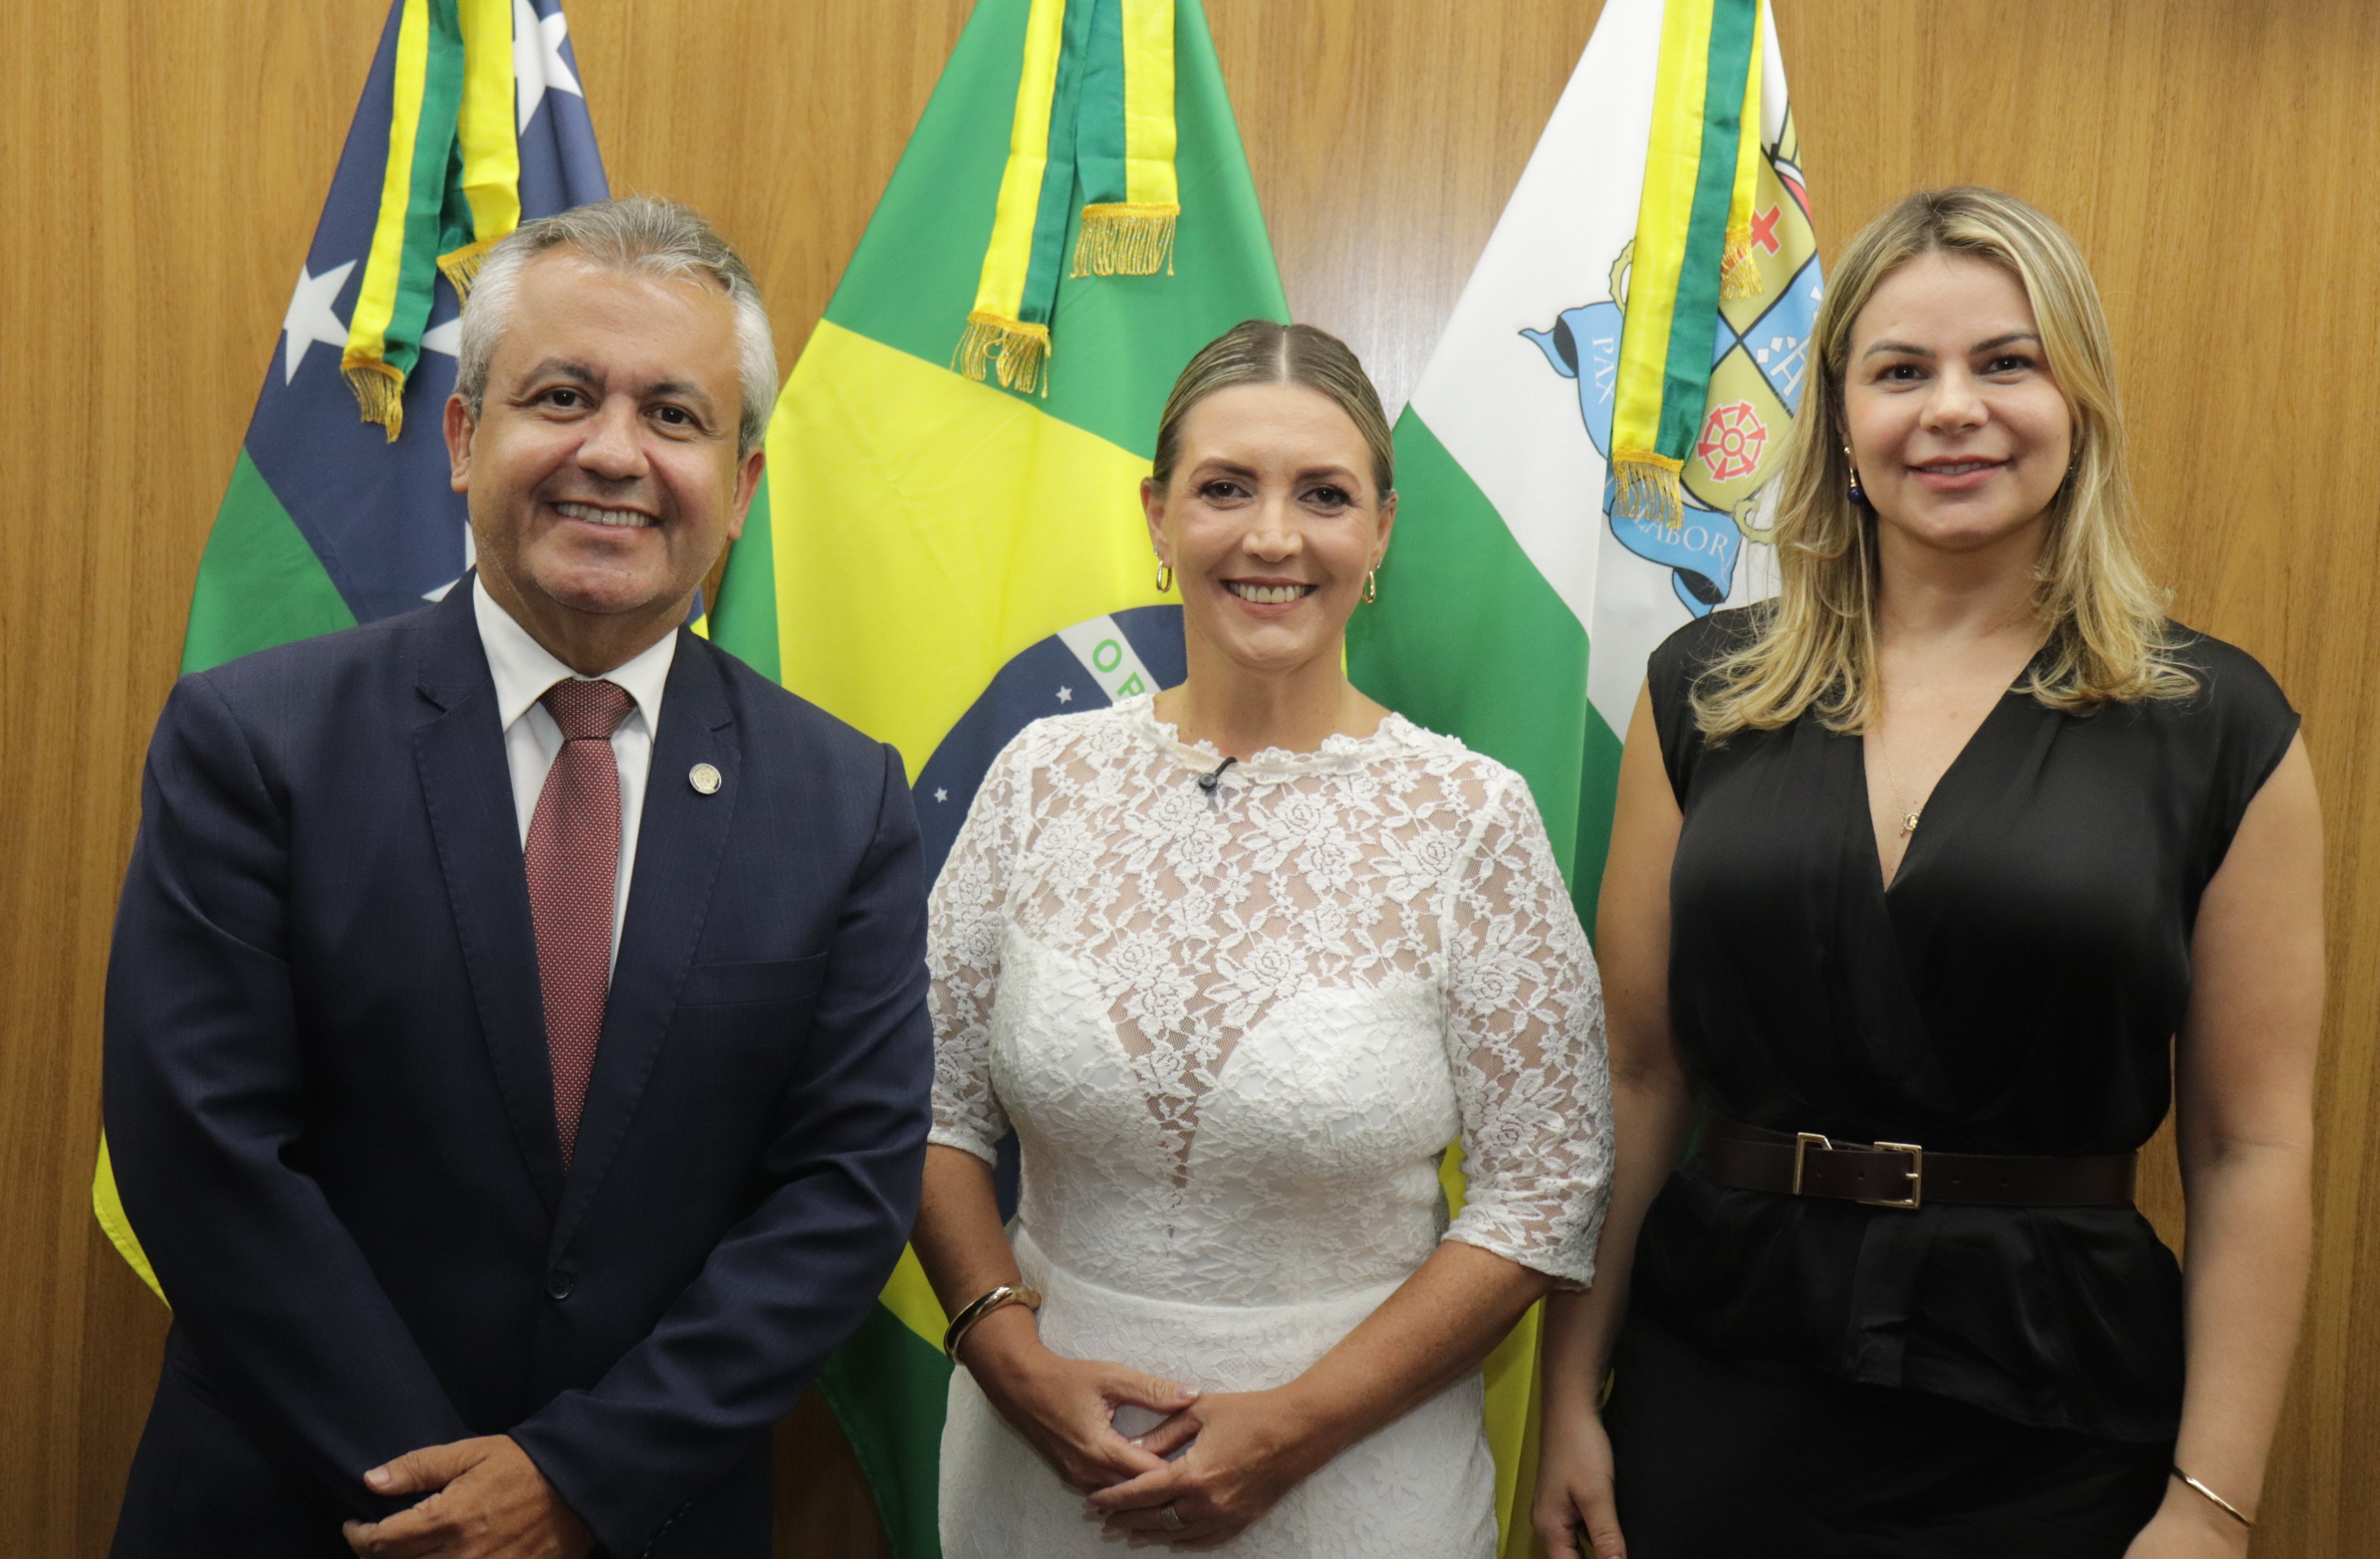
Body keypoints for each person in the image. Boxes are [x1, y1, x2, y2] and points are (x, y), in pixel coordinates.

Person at [103, 197, 934, 1559]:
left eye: (675, 415)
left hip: (647, 1518)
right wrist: (439, 1507)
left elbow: (843, 1193)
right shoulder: (252, 743)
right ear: (461, 436)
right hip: (299, 1507)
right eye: (561, 396)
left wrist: (577, 1482)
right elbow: (203, 1157)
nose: (613, 452)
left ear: (741, 485)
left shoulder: (844, 801)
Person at [1531, 186, 2322, 1559]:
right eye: (1901, 372)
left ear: (2078, 402)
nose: (1954, 408)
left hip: (2052, 1417)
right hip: (1716, 1387)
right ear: (1840, 421)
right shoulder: (1704, 693)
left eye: (2006, 362)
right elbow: (1640, 1076)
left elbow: (2249, 1147)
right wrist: (1564, 1398)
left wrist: (2211, 1504)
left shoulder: (2220, 726)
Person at [910, 319, 1613, 1557]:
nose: (1273, 536)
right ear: (1158, 514)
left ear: (1381, 530)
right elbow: (929, 1110)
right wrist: (1002, 1349)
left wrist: (1291, 1429)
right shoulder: (1036, 781)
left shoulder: (1470, 818)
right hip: (1035, 1476)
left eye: (1324, 495)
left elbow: (1542, 1192)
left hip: (1356, 1483)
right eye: (1225, 487)